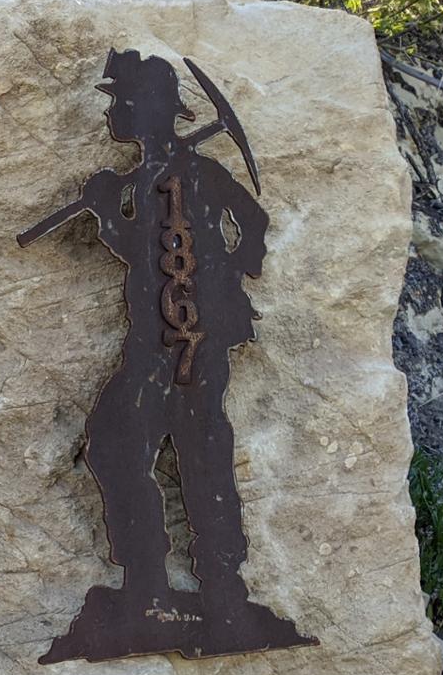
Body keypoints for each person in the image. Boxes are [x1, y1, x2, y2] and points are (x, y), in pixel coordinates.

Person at [21, 49, 270, 611]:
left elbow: (244, 224)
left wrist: (228, 274)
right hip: (156, 340)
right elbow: (150, 251)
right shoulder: (152, 177)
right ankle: (162, 582)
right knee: (145, 446)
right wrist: (111, 210)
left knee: (191, 448)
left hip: (185, 342)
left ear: (147, 109)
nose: (113, 112)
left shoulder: (188, 175)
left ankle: (207, 584)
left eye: (122, 102)